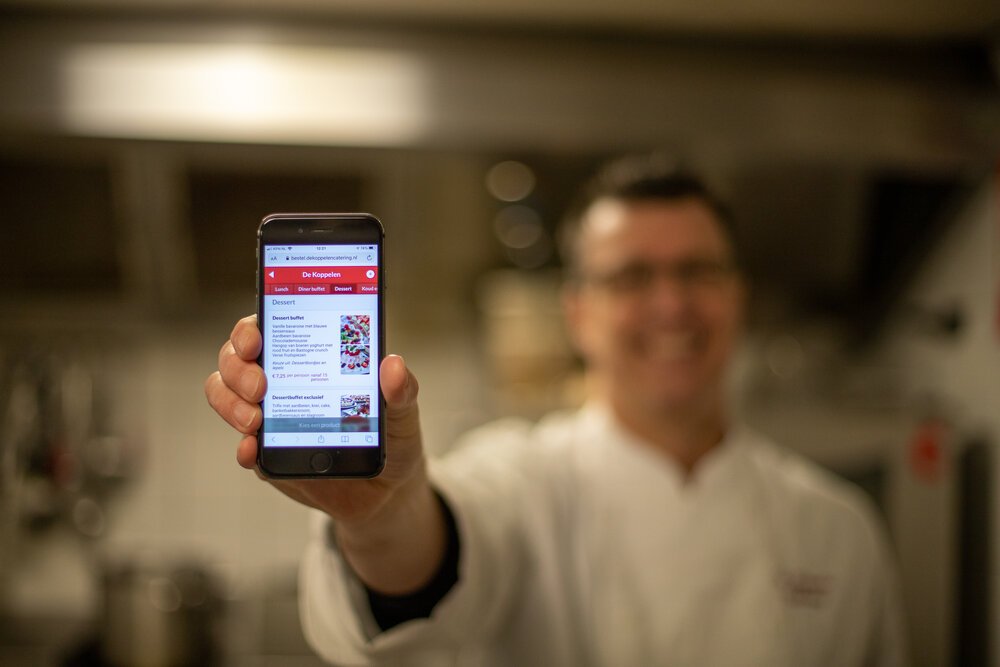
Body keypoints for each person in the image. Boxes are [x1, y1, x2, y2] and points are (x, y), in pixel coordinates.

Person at [205, 155, 908, 666]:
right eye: (632, 276)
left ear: (737, 295)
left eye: (697, 271)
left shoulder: (838, 529)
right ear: (577, 313)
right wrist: (382, 517)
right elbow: (445, 544)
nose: (671, 303)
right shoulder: (526, 477)